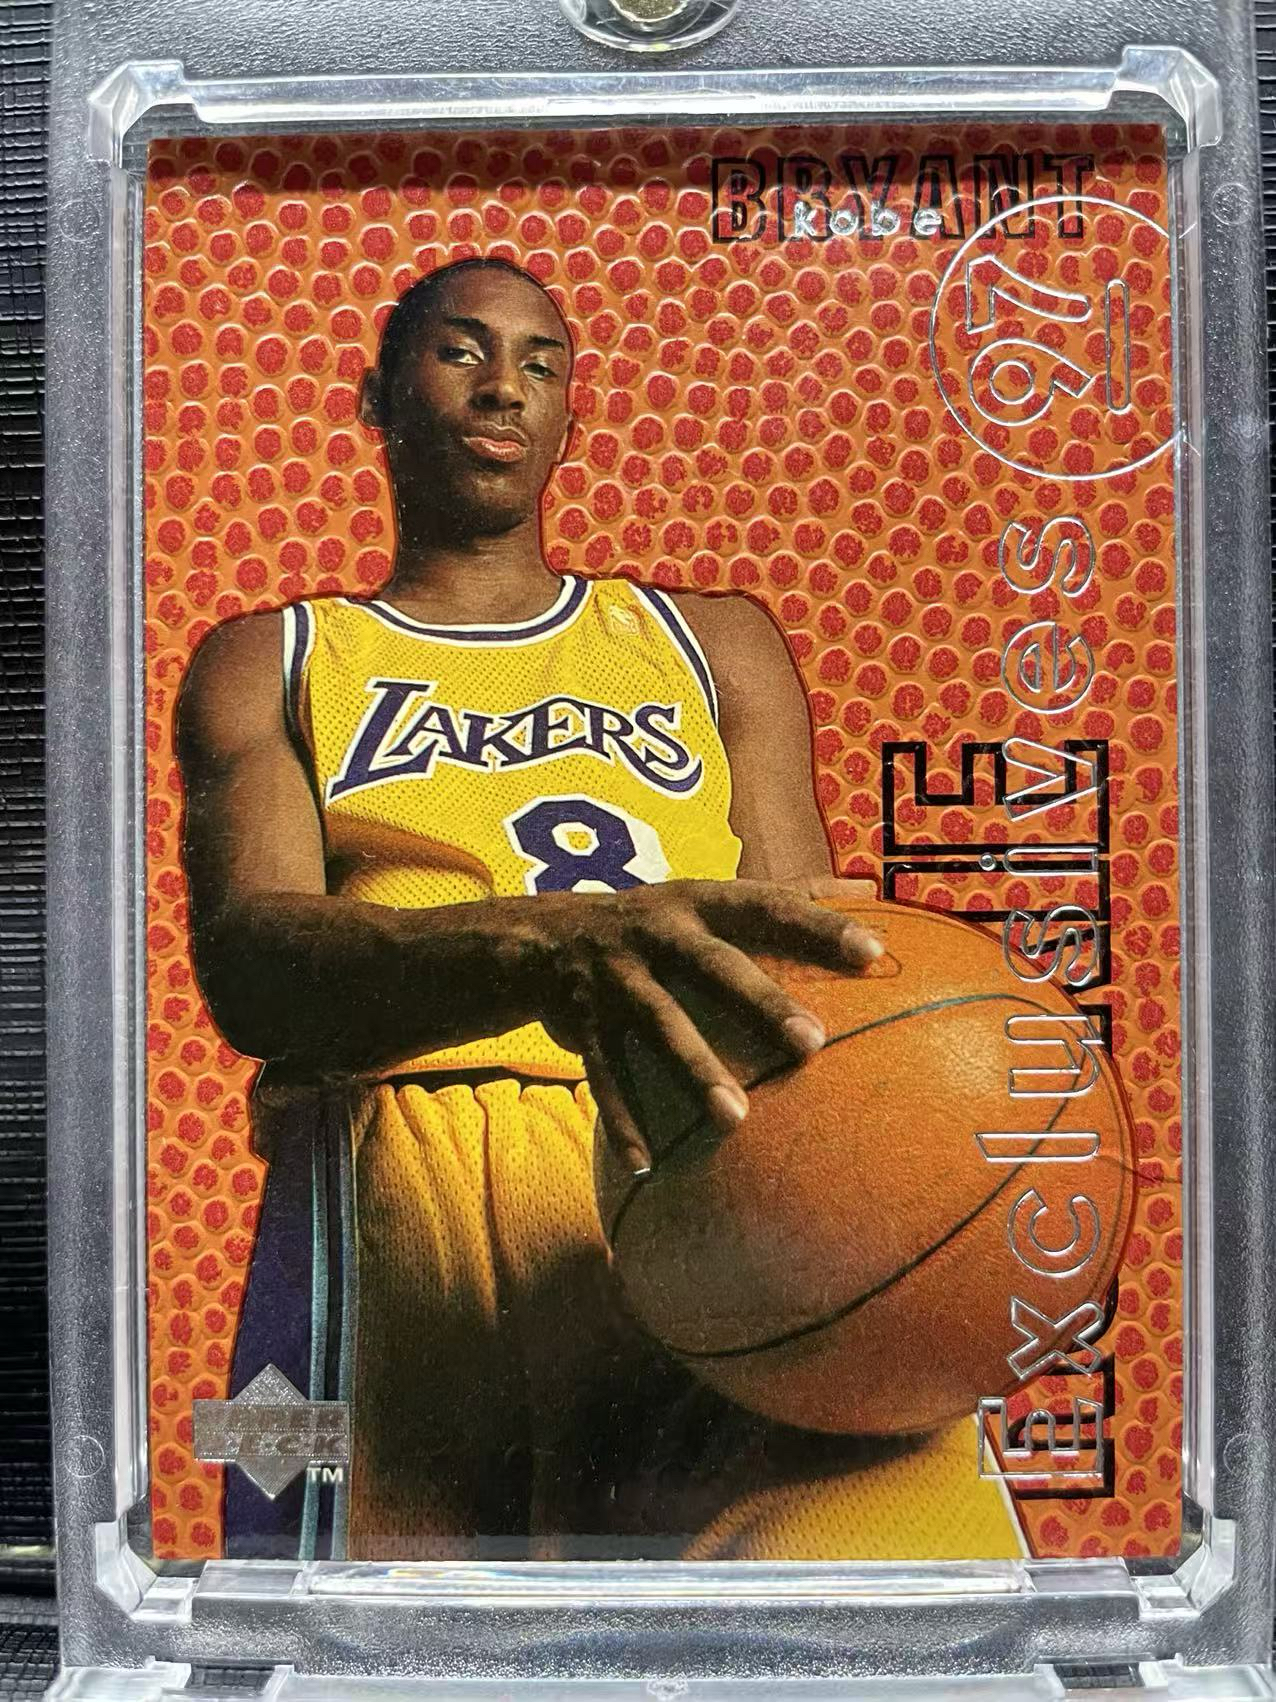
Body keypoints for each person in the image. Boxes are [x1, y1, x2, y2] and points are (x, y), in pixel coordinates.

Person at [177, 256, 1022, 1563]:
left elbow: (816, 969)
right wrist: (539, 949)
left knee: (906, 1594)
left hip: (706, 1167)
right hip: (396, 1191)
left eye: (541, 361)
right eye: (461, 350)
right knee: (321, 1588)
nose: (503, 386)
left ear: (571, 412)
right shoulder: (272, 658)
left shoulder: (714, 642)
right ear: (376, 396)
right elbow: (248, 968)